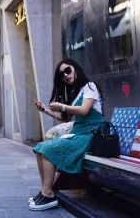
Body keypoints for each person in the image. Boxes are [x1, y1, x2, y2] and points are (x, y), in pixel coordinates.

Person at [29, 59, 103, 211]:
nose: (66, 75)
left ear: (75, 68)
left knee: (49, 149)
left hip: (89, 135)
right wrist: (45, 110)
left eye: (67, 70)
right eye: (62, 75)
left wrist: (62, 106)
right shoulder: (76, 93)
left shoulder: (90, 87)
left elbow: (84, 111)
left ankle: (48, 194)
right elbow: (66, 118)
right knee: (40, 147)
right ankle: (45, 191)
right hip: (77, 134)